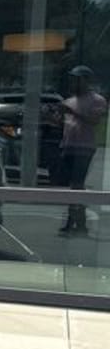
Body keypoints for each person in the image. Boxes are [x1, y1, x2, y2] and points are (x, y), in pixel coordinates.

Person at [56, 65, 107, 234]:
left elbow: (94, 121)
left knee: (76, 184)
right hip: (68, 145)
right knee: (74, 186)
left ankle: (74, 223)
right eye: (72, 79)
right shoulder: (69, 100)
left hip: (84, 147)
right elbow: (65, 123)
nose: (74, 82)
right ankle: (79, 223)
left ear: (86, 80)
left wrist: (73, 111)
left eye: (77, 79)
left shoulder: (97, 100)